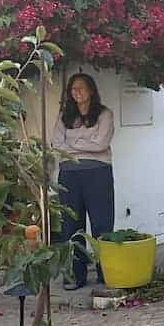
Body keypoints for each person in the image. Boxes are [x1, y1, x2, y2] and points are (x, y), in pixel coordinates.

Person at [52, 73, 115, 290]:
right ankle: (74, 275)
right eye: (73, 89)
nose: (77, 92)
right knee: (71, 226)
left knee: (102, 225)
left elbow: (101, 144)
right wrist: (85, 142)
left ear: (91, 90)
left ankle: (105, 273)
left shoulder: (104, 114)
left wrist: (73, 143)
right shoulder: (64, 116)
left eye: (81, 88)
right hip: (69, 175)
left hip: (98, 174)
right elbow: (57, 144)